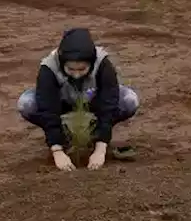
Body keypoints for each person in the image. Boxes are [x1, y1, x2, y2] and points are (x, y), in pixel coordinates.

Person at [16, 28, 139, 172]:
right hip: (62, 102)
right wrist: (57, 152)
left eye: (82, 70)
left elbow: (108, 104)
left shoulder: (103, 64)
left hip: (93, 101)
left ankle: (94, 135)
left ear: (91, 63)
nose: (76, 75)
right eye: (70, 70)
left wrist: (100, 149)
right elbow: (48, 109)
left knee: (129, 100)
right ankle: (65, 138)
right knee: (26, 103)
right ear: (63, 63)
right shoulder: (49, 67)